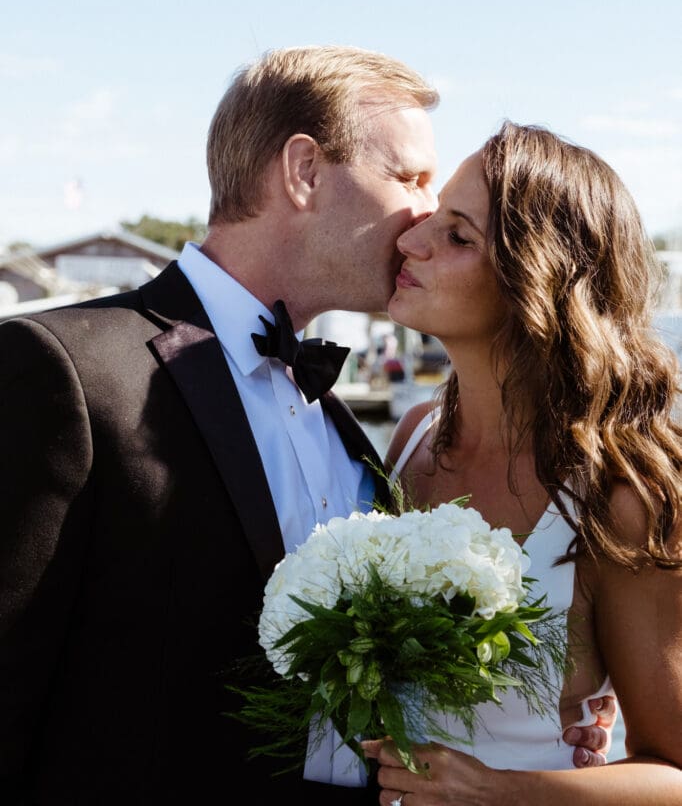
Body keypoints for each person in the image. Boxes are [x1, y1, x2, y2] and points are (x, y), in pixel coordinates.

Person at [0, 50, 612, 806]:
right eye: (410, 178)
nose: (425, 213)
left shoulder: (358, 436)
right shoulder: (69, 370)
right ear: (305, 171)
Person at [361, 120, 682, 803]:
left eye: (457, 235)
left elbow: (674, 773)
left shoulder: (620, 496)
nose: (409, 241)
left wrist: (500, 790)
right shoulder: (412, 437)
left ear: (535, 279)